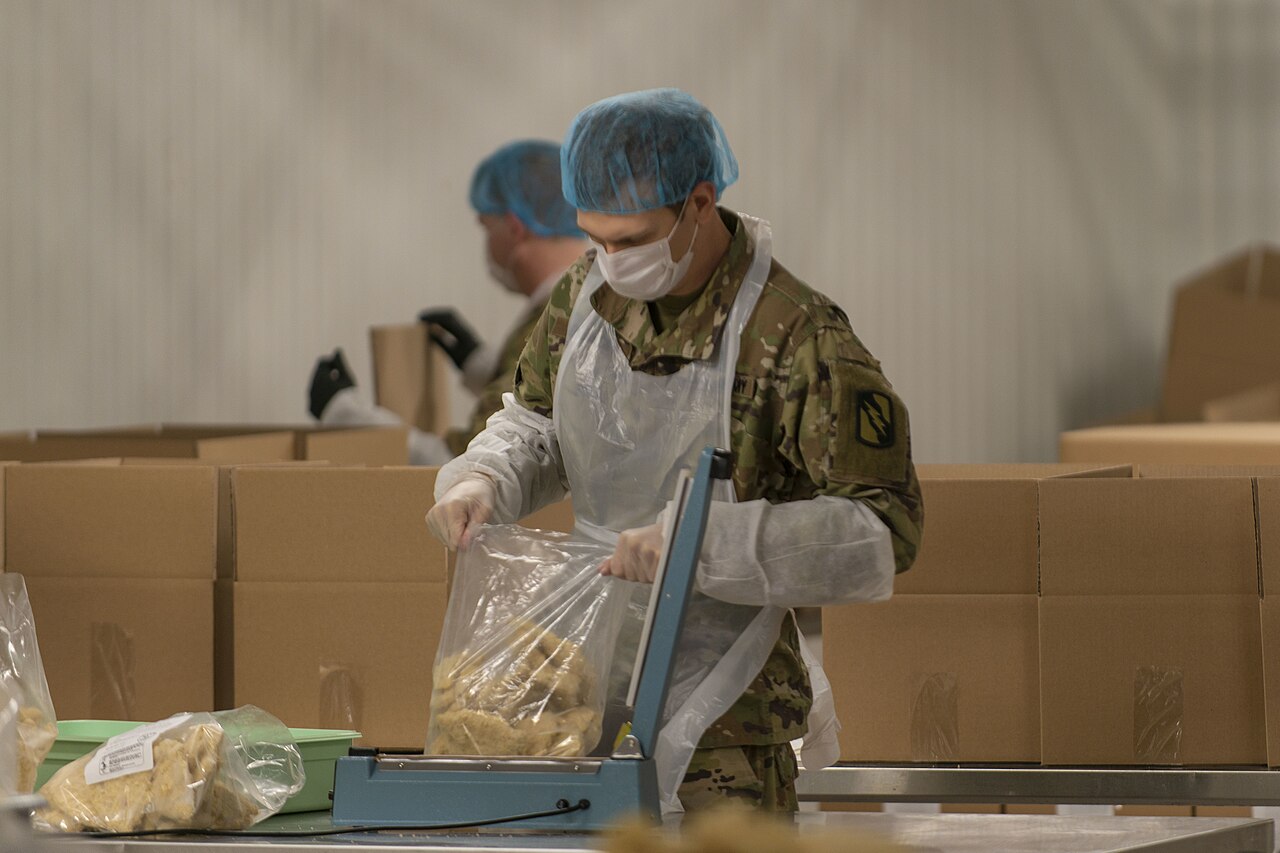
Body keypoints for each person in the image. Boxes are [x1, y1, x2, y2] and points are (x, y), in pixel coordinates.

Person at [426, 89, 924, 812]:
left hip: (726, 720)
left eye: (630, 241)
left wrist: (697, 542)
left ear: (699, 201)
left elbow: (881, 532)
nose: (611, 261)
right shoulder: (585, 298)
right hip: (585, 686)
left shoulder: (796, 338)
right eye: (595, 239)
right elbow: (537, 421)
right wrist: (484, 478)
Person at [307, 140, 588, 464]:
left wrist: (345, 415)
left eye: (487, 228)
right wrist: (484, 367)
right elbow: (546, 401)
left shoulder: (557, 321)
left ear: (514, 228)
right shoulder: (587, 297)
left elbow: (467, 463)